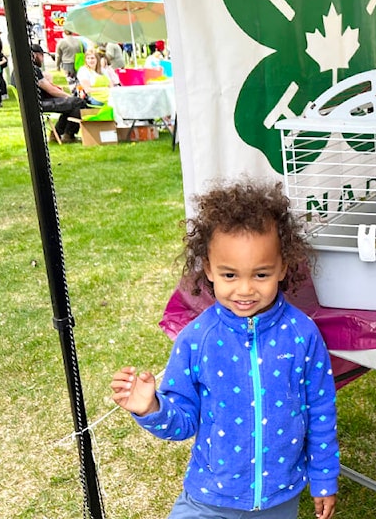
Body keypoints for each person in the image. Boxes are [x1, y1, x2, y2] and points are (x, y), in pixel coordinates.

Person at [110, 180, 339, 519]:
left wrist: (324, 478)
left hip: (279, 500)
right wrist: (152, 408)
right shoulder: (196, 339)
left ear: (283, 267)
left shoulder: (302, 334)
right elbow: (183, 421)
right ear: (208, 270)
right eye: (230, 275)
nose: (245, 289)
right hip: (209, 497)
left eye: (260, 274)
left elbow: (321, 410)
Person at [32, 44, 87, 144]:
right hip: (41, 103)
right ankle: (68, 134)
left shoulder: (20, 70)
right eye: (41, 55)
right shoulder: (34, 70)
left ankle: (57, 133)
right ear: (35, 55)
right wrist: (69, 96)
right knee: (78, 102)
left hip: (33, 102)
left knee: (70, 104)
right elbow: (51, 90)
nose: (42, 59)